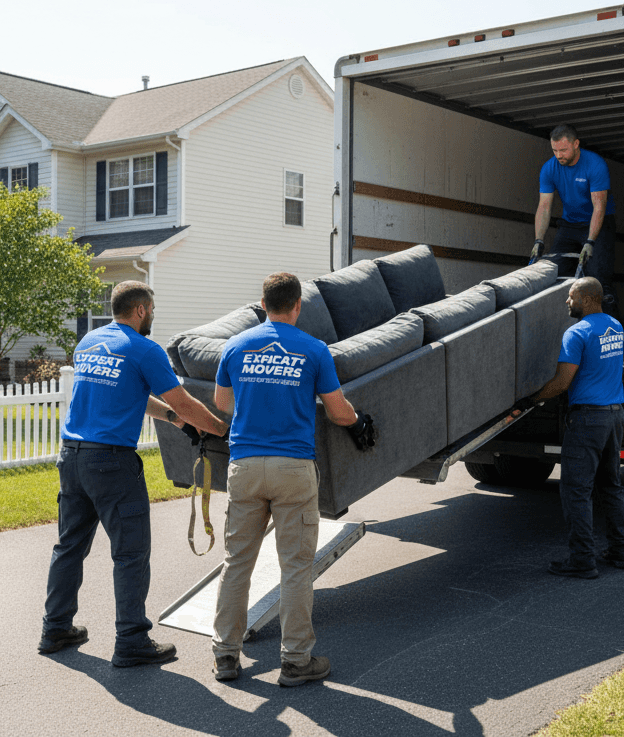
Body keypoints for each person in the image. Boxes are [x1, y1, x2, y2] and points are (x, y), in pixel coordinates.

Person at [39, 280, 229, 666]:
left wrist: (172, 419)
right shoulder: (145, 349)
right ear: (142, 310)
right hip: (112, 463)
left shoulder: (89, 343)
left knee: (69, 546)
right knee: (130, 553)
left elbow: (129, 393)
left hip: (72, 458)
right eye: (152, 311)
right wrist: (224, 429)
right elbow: (185, 401)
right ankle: (131, 640)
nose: (152, 317)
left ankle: (55, 628)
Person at [210, 272, 376, 687]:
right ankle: (296, 661)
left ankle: (226, 656)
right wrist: (358, 423)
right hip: (293, 469)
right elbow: (338, 412)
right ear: (297, 305)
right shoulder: (313, 349)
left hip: (245, 466)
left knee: (236, 564)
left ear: (262, 304)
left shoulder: (235, 346)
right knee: (296, 567)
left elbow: (222, 403)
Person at [524, 277, 624, 579]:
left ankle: (583, 560)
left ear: (586, 299)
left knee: (576, 491)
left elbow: (562, 381)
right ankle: (621, 551)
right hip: (614, 417)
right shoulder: (615, 326)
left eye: (571, 297)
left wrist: (533, 398)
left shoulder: (577, 333)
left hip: (588, 421)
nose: (567, 302)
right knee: (611, 485)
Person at [531, 124, 618, 314]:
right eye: (555, 150)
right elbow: (544, 206)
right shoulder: (549, 168)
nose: (559, 155)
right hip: (570, 224)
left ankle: (611, 333)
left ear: (576, 144)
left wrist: (590, 241)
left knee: (598, 280)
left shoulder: (595, 164)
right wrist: (539, 240)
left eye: (563, 150)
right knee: (554, 271)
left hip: (599, 223)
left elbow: (599, 206)